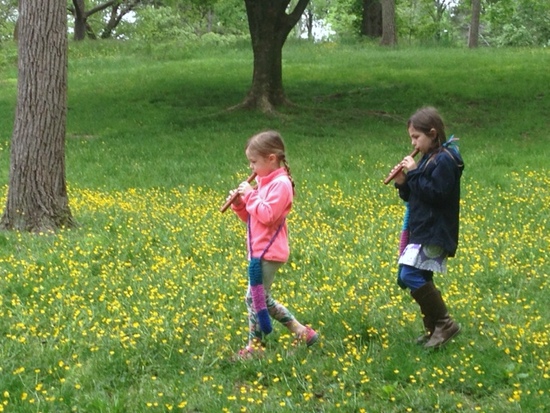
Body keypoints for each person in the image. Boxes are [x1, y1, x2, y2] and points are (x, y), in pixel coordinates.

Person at [228, 130, 319, 360]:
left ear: (271, 158)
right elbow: (254, 220)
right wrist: (240, 204)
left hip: (270, 252)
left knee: (254, 297)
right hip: (258, 251)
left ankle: (254, 348)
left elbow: (268, 215)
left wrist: (250, 196)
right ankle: (302, 333)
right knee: (261, 298)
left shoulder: (281, 185)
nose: (251, 168)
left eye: (254, 162)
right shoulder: (263, 182)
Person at [391, 107, 464, 349]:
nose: (413, 142)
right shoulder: (429, 158)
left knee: (409, 274)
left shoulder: (446, 160)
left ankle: (445, 323)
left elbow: (436, 194)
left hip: (435, 231)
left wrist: (412, 174)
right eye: (411, 137)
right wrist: (404, 183)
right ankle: (433, 328)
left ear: (433, 134)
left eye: (416, 137)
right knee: (420, 276)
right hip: (422, 229)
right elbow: (418, 196)